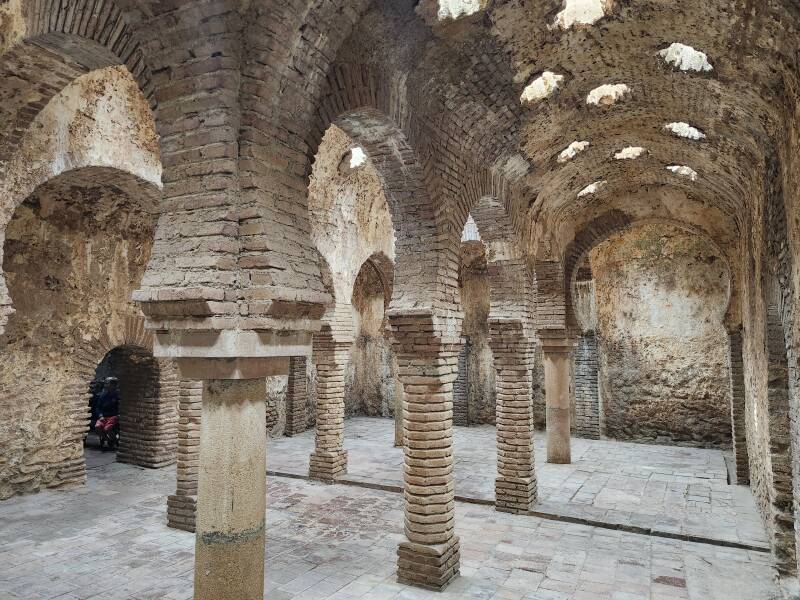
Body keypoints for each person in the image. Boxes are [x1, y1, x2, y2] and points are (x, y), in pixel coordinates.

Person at [95, 377, 120, 451]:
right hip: (104, 416)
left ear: (113, 385)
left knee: (107, 428)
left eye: (107, 383)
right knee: (97, 427)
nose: (106, 385)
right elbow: (98, 407)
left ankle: (115, 441)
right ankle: (109, 440)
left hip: (113, 416)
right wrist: (100, 415)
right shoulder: (103, 395)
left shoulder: (118, 396)